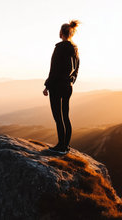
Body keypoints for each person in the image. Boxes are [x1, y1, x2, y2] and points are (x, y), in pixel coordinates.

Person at [43, 20, 80, 154]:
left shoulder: (60, 48)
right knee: (65, 116)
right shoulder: (74, 49)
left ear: (61, 33)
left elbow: (54, 70)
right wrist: (71, 81)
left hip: (57, 86)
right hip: (68, 87)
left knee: (58, 117)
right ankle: (65, 145)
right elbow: (76, 69)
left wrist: (47, 85)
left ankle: (61, 146)